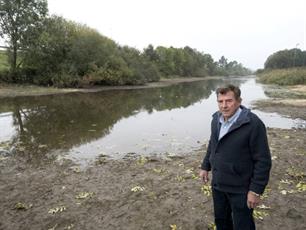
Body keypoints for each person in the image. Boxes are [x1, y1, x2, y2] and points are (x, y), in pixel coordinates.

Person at [199, 84, 272, 230]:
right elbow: (213, 144)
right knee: (221, 221)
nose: (224, 106)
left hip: (241, 188)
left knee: (243, 225)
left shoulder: (253, 124)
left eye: (229, 101)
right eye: (220, 101)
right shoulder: (216, 119)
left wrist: (255, 190)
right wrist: (205, 166)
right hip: (218, 184)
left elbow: (263, 161)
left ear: (239, 101)